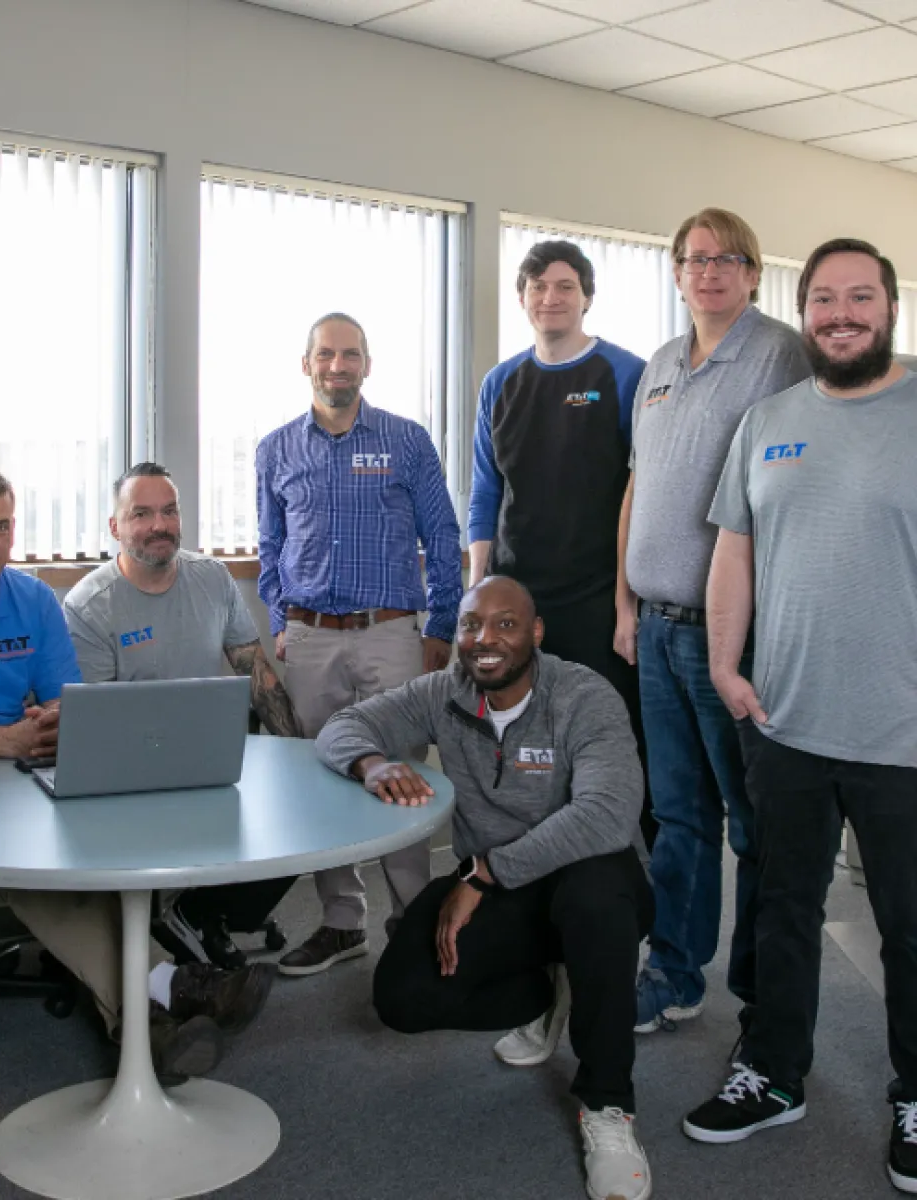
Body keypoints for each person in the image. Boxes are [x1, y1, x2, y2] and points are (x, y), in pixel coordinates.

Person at [0, 465, 274, 1078]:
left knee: (86, 844)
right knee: (39, 868)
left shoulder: (35, 598)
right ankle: (173, 989)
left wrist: (60, 720)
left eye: (3, 527)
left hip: (16, 769)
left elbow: (71, 702)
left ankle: (150, 1025)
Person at [684, 238, 917, 1194]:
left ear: (892, 308)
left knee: (910, 927)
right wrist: (724, 667)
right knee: (780, 912)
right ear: (805, 308)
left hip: (905, 738)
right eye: (824, 298)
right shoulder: (768, 420)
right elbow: (734, 549)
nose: (840, 314)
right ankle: (774, 1073)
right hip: (782, 722)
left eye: (861, 296)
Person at [321, 576, 652, 1200]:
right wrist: (375, 762)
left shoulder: (584, 696)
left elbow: (608, 814)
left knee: (594, 906)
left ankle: (608, 1105)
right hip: (504, 885)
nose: (484, 639)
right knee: (402, 999)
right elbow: (342, 727)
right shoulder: (445, 693)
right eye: (472, 624)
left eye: (505, 624)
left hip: (591, 873)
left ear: (535, 632)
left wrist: (484, 873)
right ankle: (552, 992)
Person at [615, 208, 812, 1036]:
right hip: (654, 629)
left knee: (753, 823)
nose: (709, 272)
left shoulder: (781, 355)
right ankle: (675, 972)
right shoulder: (659, 364)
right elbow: (637, 488)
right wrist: (624, 606)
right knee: (679, 816)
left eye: (727, 259)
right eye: (695, 259)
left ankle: (767, 993)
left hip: (728, 636)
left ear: (753, 273)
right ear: (676, 273)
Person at [256, 312, 463, 976]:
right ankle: (343, 922)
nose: (336, 366)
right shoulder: (276, 450)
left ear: (367, 365)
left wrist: (439, 629)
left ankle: (412, 918)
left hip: (390, 634)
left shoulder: (406, 442)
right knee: (324, 779)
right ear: (306, 363)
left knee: (401, 774)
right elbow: (269, 547)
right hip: (312, 637)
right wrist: (279, 619)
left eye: (349, 355)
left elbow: (444, 539)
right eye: (325, 354)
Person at [63, 462, 297, 969]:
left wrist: (302, 757)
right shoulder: (90, 605)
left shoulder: (211, 578)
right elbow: (94, 727)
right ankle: (183, 929)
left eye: (169, 511)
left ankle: (197, 915)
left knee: (298, 824)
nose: (159, 525)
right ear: (115, 527)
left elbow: (257, 674)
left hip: (208, 762)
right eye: (141, 513)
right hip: (128, 775)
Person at [469, 240, 648, 830]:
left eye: (566, 287)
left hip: (599, 601)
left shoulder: (625, 375)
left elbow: (642, 493)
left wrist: (627, 607)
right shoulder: (501, 384)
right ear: (522, 299)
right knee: (527, 750)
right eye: (539, 287)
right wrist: (477, 601)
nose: (552, 298)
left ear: (587, 298)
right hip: (521, 601)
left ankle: (622, 880)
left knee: (611, 746)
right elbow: (485, 494)